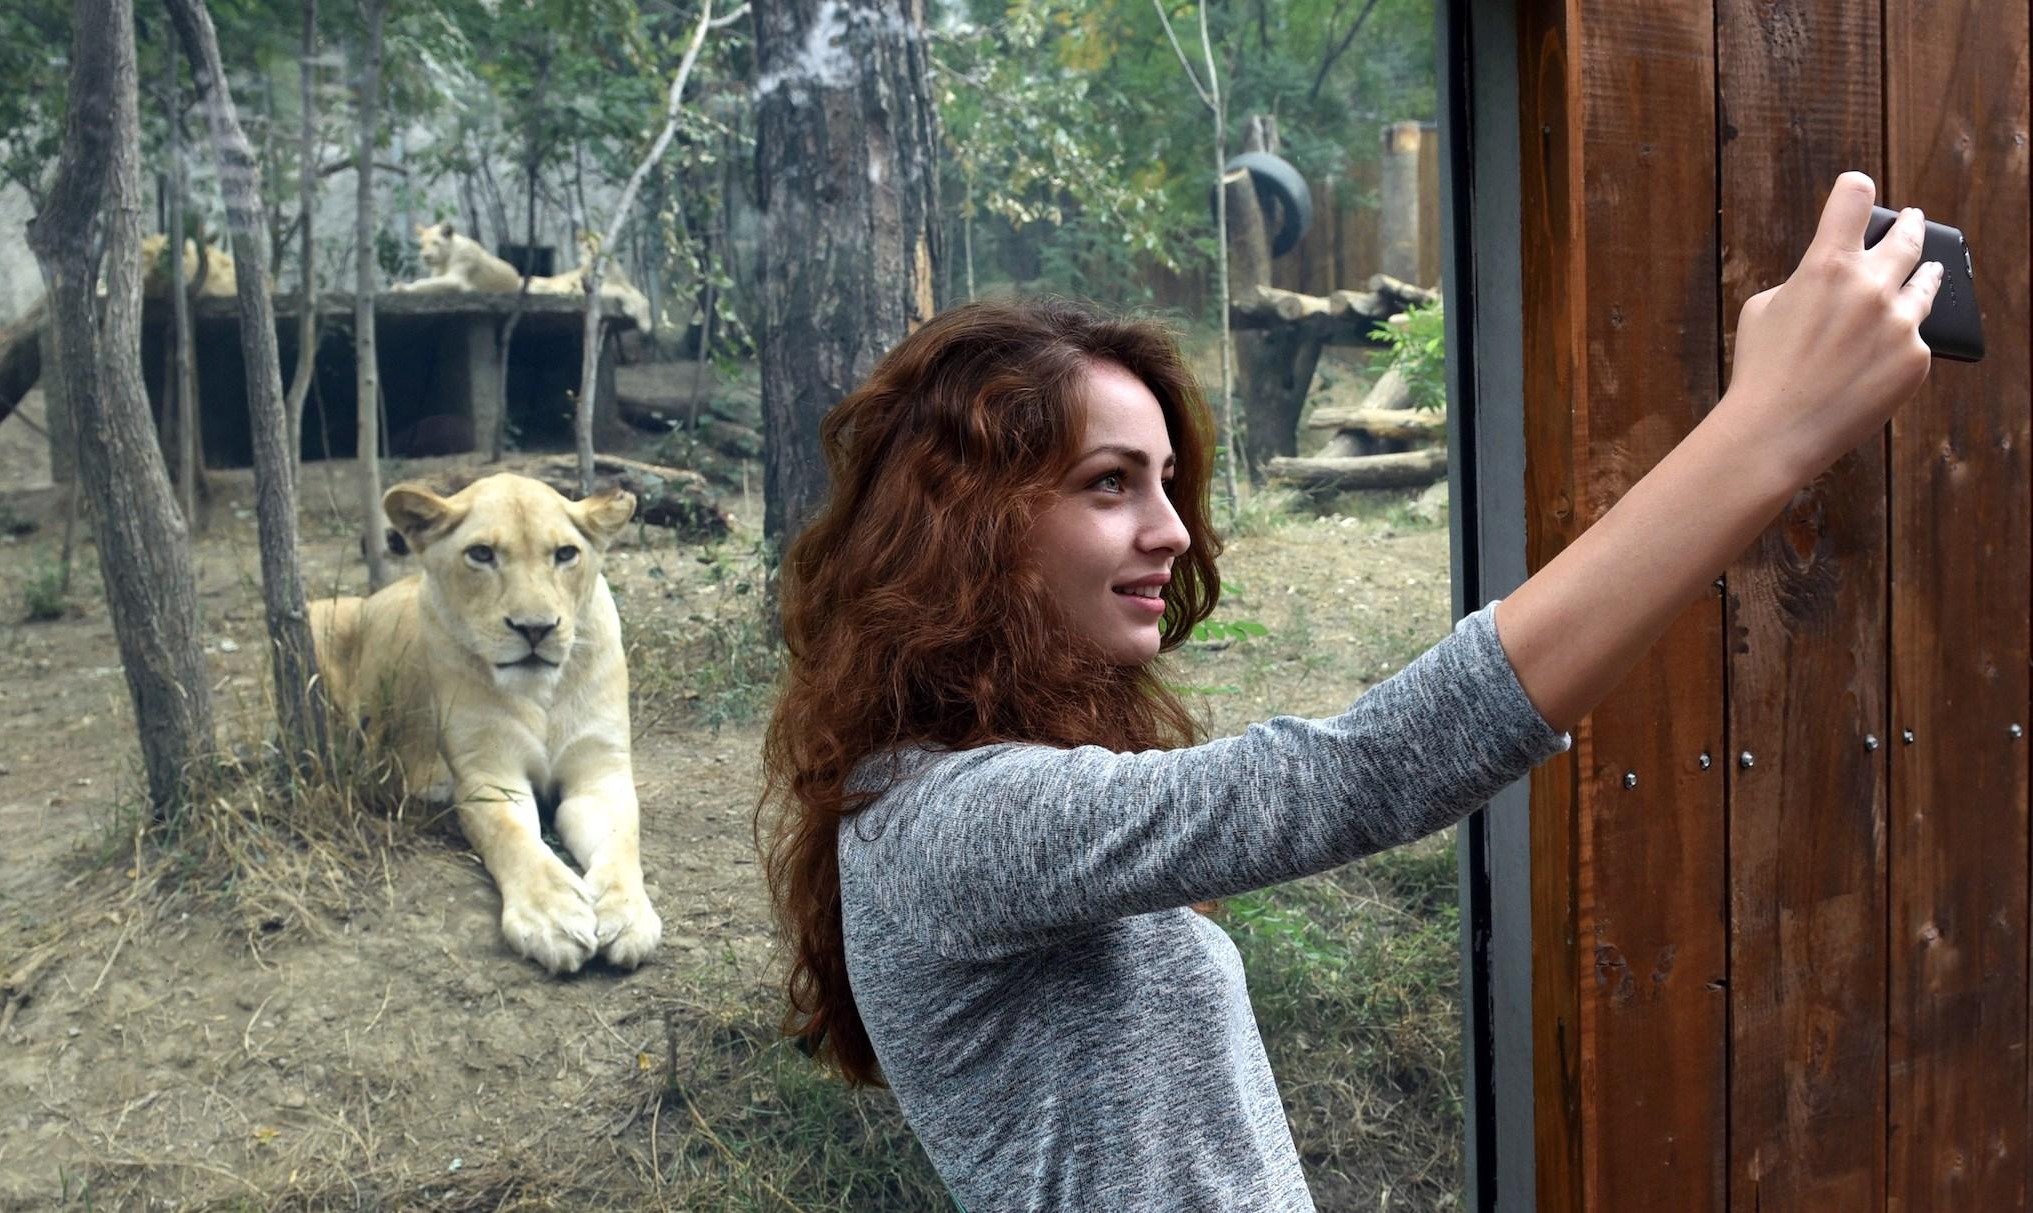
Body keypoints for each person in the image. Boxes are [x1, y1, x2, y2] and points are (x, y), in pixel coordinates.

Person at [758, 172, 1944, 1210]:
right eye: (1108, 483)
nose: (1172, 530)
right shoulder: (938, 822)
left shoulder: (967, 802)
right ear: (961, 530)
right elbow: (1352, 775)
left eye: (1166, 480)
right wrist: (1762, 437)